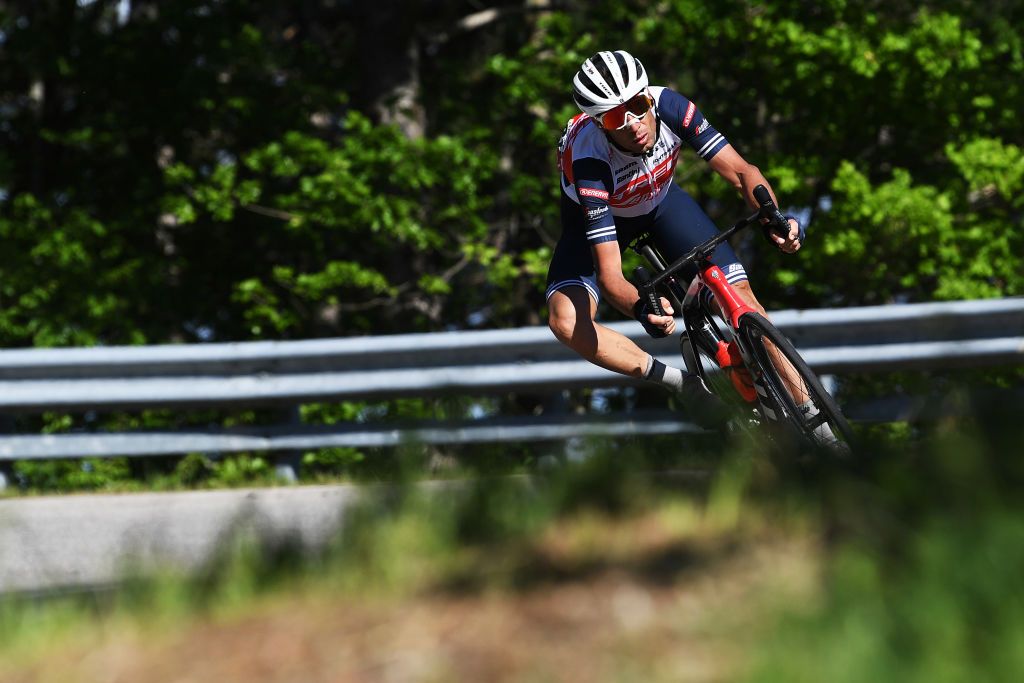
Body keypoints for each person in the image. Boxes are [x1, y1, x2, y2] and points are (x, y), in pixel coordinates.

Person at [546, 49, 804, 425]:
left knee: (743, 298)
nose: (634, 122)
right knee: (564, 320)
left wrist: (773, 218)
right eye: (617, 117)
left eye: (637, 105)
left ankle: (812, 411)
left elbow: (742, 172)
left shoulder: (671, 106)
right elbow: (611, 276)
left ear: (648, 95)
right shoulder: (590, 162)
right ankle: (678, 383)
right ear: (600, 124)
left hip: (662, 204)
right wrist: (640, 307)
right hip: (604, 224)